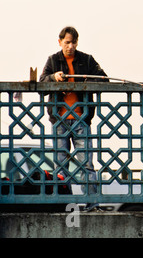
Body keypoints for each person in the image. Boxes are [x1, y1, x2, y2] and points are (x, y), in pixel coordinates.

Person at [40, 26, 109, 212]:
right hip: (59, 120)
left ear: (77, 43)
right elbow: (42, 83)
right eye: (66, 42)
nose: (70, 46)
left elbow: (104, 79)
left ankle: (92, 205)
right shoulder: (53, 60)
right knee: (60, 167)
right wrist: (54, 78)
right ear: (60, 42)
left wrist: (85, 83)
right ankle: (64, 206)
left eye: (73, 42)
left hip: (82, 119)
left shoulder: (86, 59)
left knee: (87, 164)